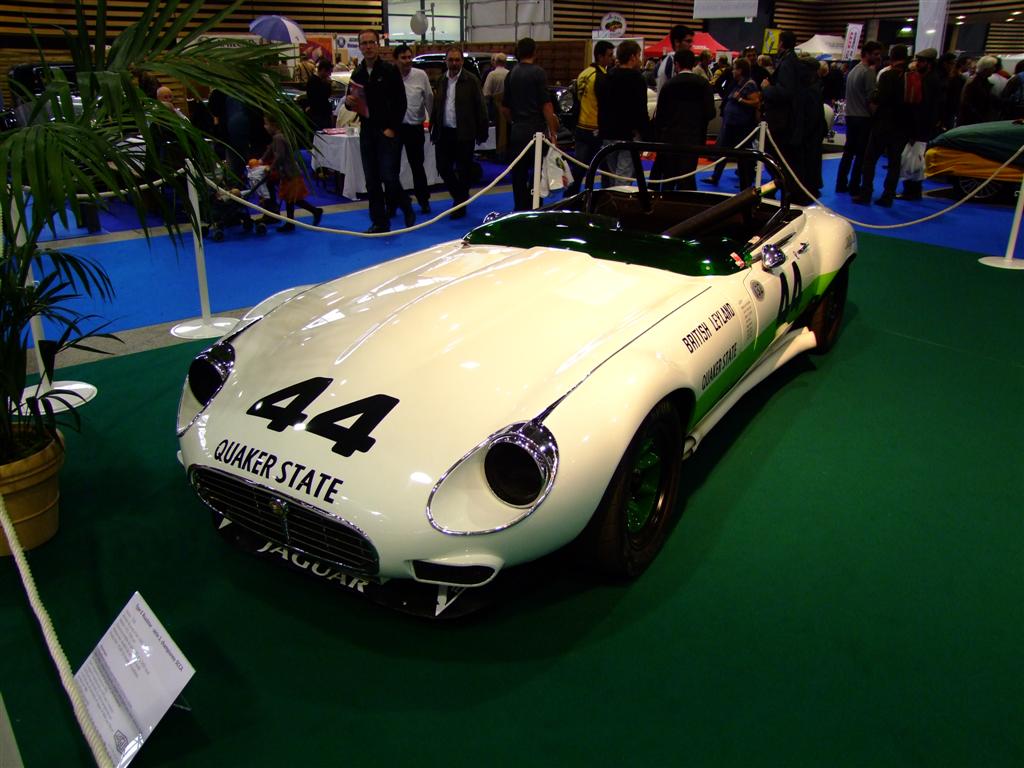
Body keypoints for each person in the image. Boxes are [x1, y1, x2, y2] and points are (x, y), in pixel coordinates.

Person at [347, 28, 415, 233]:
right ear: (360, 47)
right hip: (366, 132)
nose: (368, 47)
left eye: (371, 43)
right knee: (371, 180)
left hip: (386, 132)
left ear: (377, 45)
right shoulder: (357, 73)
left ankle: (405, 205)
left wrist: (392, 128)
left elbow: (401, 102)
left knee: (389, 177)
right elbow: (351, 102)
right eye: (364, 43)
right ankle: (379, 222)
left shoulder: (389, 70)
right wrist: (349, 103)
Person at [502, 37, 560, 211]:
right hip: (536, 130)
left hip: (517, 130)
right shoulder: (538, 73)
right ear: (535, 51)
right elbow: (546, 105)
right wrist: (553, 132)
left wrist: (514, 122)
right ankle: (535, 208)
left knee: (518, 174)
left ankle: (520, 208)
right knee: (537, 173)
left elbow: (504, 108)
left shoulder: (511, 74)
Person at [430, 46, 488, 219]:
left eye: (457, 60)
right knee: (442, 167)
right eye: (451, 60)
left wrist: (482, 130)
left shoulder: (471, 80)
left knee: (464, 170)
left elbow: (480, 106)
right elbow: (437, 106)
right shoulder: (441, 80)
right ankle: (460, 196)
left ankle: (460, 205)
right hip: (444, 132)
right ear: (446, 61)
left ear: (462, 61)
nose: (454, 63)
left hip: (464, 133)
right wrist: (433, 126)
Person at [761, 30, 817, 204]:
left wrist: (767, 88)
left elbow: (785, 92)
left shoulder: (787, 63)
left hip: (782, 122)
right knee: (783, 160)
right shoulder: (792, 62)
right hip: (788, 121)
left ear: (782, 43)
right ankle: (780, 189)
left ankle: (785, 190)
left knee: (776, 158)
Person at [854, 45, 909, 207]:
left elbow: (878, 99)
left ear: (891, 57)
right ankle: (888, 196)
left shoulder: (887, 75)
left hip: (883, 124)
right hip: (902, 126)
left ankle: (866, 192)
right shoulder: (911, 76)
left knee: (869, 160)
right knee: (894, 163)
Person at [651, 49, 714, 192]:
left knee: (668, 179)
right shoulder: (703, 84)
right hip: (693, 138)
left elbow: (660, 116)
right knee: (687, 178)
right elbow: (710, 113)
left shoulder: (669, 85)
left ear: (677, 64)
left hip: (670, 139)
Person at [564, 40, 614, 197]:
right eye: (609, 55)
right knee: (605, 168)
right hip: (595, 128)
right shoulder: (601, 77)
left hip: (581, 126)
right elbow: (605, 105)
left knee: (579, 168)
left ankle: (571, 195)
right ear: (600, 56)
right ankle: (601, 196)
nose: (612, 58)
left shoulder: (584, 74)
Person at [597, 40, 650, 183]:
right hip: (628, 135)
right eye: (638, 55)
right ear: (632, 57)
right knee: (623, 178)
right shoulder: (637, 79)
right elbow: (641, 110)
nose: (639, 59)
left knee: (613, 175)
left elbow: (601, 106)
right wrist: (646, 135)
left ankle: (613, 195)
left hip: (609, 133)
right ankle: (619, 197)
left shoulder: (607, 77)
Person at [260, 115, 323, 233]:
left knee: (292, 198)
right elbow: (270, 150)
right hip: (288, 173)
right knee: (290, 199)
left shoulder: (278, 138)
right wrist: (261, 160)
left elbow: (280, 156)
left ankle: (313, 212)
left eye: (266, 124)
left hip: (290, 173)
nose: (265, 126)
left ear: (274, 125)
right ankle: (292, 222)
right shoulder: (278, 137)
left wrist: (271, 168)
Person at [835, 40, 881, 195]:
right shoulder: (868, 72)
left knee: (848, 153)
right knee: (861, 155)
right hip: (863, 118)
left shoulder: (853, 71)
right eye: (875, 54)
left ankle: (841, 183)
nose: (878, 57)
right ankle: (854, 185)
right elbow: (871, 100)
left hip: (851, 116)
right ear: (866, 54)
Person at [706, 56, 759, 189]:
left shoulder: (749, 84)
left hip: (741, 126)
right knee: (723, 150)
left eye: (735, 69)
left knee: (742, 155)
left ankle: (745, 182)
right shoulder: (737, 83)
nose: (733, 71)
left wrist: (740, 100)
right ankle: (715, 176)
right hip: (731, 123)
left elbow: (755, 101)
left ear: (740, 70)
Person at [395, 44, 433, 214]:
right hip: (395, 129)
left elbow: (429, 98)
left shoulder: (421, 75)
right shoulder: (391, 75)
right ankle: (394, 202)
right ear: (396, 60)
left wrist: (433, 121)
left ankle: (424, 201)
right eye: (403, 58)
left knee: (417, 167)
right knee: (392, 169)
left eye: (409, 57)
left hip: (415, 128)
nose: (407, 61)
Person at [958, 56, 1000, 126]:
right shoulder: (974, 82)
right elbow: (967, 103)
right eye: (993, 67)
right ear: (986, 68)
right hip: (971, 121)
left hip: (976, 120)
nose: (994, 69)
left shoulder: (982, 81)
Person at [656, 25, 695, 92]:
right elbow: (674, 89)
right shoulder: (672, 61)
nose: (691, 45)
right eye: (688, 41)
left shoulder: (672, 60)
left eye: (691, 42)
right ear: (677, 42)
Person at [305, 58, 334, 132]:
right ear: (323, 70)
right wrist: (327, 84)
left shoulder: (320, 81)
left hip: (322, 115)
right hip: (318, 116)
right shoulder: (314, 81)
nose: (330, 75)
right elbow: (321, 97)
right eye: (329, 72)